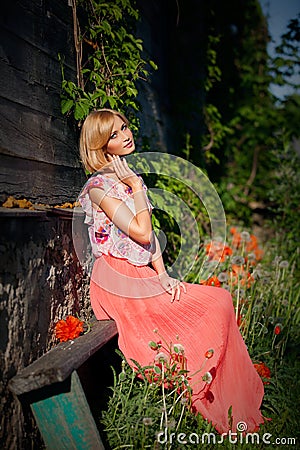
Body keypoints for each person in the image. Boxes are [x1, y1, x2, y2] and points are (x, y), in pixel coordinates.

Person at [78, 108, 265, 434]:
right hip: (117, 280)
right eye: (115, 134)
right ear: (100, 145)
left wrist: (163, 275)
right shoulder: (99, 188)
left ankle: (228, 402)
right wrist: (136, 187)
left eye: (124, 127)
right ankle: (200, 392)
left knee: (218, 299)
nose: (126, 135)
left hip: (142, 273)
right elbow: (142, 233)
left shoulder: (127, 181)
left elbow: (151, 243)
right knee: (206, 311)